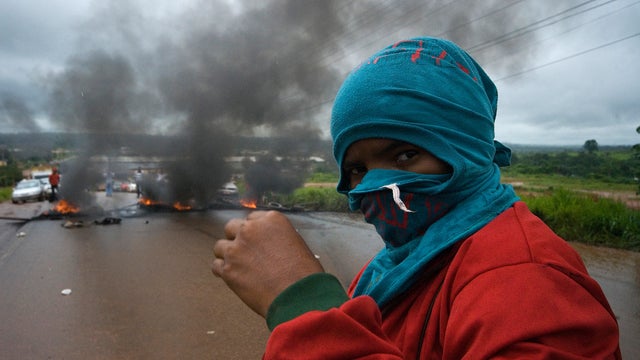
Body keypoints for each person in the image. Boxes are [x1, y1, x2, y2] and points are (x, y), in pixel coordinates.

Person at [211, 37, 621, 358]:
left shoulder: (527, 282)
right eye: (358, 169)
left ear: (465, 148)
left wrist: (305, 306)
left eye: (406, 155)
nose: (376, 185)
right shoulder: (400, 263)